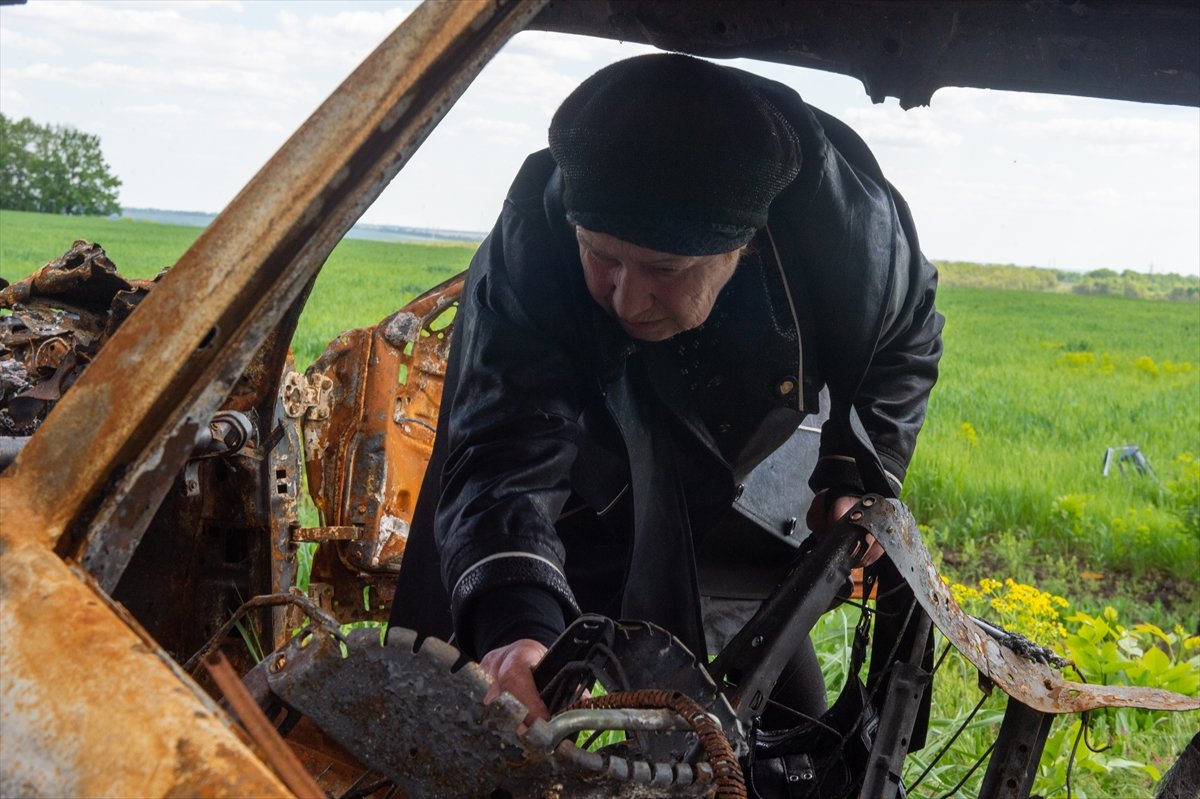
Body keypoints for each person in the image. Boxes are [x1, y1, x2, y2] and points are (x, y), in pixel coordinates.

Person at [389, 53, 943, 724]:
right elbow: (504, 451)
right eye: (603, 255)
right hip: (576, 485)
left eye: (662, 267)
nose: (626, 297)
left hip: (717, 465)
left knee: (772, 713)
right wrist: (515, 626)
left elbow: (903, 342)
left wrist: (857, 467)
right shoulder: (534, 248)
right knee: (471, 703)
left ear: (745, 246)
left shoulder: (853, 238)